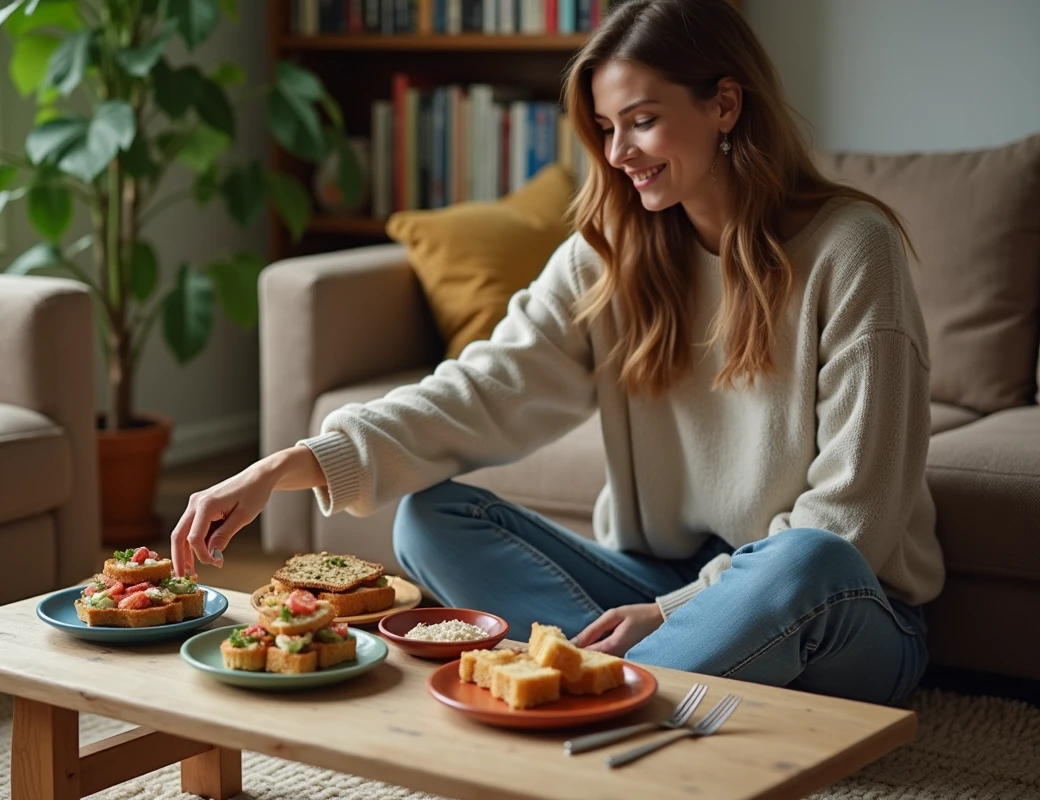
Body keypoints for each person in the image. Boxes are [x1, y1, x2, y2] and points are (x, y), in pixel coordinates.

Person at [170, 0, 944, 707]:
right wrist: (287, 465)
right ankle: (628, 687)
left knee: (806, 558)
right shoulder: (610, 254)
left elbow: (851, 524)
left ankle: (591, 701)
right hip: (660, 579)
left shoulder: (851, 249)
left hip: (842, 612)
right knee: (432, 514)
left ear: (725, 104)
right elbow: (480, 389)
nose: (619, 154)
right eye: (607, 129)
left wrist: (671, 614)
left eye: (641, 121)